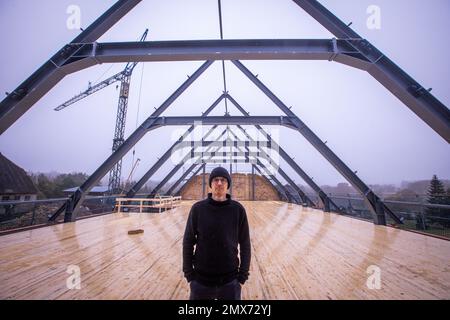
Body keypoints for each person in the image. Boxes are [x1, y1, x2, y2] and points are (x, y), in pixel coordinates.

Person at [182, 166, 251, 300]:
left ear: (228, 185)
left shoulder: (238, 210)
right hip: (201, 282)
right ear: (211, 184)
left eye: (223, 180)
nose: (219, 183)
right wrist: (189, 275)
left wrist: (242, 276)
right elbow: (188, 241)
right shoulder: (198, 209)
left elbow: (245, 244)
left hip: (230, 282)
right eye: (216, 180)